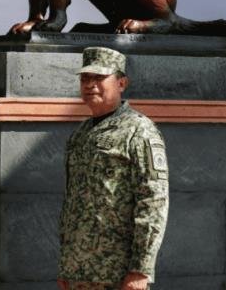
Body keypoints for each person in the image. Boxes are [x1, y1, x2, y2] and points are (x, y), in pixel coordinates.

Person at [57, 47, 169, 290]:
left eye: (99, 78)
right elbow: (72, 204)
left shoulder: (139, 130)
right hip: (79, 272)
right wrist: (67, 267)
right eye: (85, 78)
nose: (90, 85)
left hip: (118, 274)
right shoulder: (81, 133)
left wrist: (141, 269)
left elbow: (153, 201)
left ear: (121, 83)